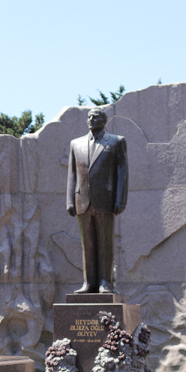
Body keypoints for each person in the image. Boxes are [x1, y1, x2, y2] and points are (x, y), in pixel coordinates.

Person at [66, 108, 128, 293]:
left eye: (96, 117)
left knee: (105, 243)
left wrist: (120, 199)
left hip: (106, 200)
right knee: (88, 244)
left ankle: (105, 282)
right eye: (89, 117)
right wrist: (69, 200)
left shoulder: (117, 142)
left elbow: (122, 173)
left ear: (104, 120)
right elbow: (72, 174)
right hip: (82, 201)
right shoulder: (76, 144)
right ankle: (89, 283)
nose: (92, 119)